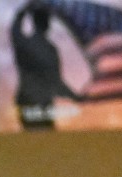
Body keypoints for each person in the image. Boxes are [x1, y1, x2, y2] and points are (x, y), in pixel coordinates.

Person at [12, 1, 80, 130]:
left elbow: (14, 28)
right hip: (39, 104)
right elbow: (57, 83)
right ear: (48, 25)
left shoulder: (25, 44)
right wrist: (75, 96)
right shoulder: (50, 50)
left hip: (34, 103)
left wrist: (25, 10)